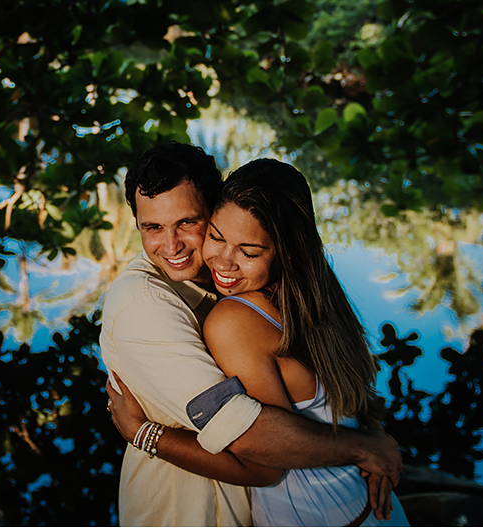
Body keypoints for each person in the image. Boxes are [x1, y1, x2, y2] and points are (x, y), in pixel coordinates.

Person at [100, 143, 402, 526]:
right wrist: (368, 445)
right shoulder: (146, 303)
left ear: (212, 211)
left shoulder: (240, 303)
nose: (172, 245)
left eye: (189, 223)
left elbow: (255, 450)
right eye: (153, 227)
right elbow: (257, 438)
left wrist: (143, 433)